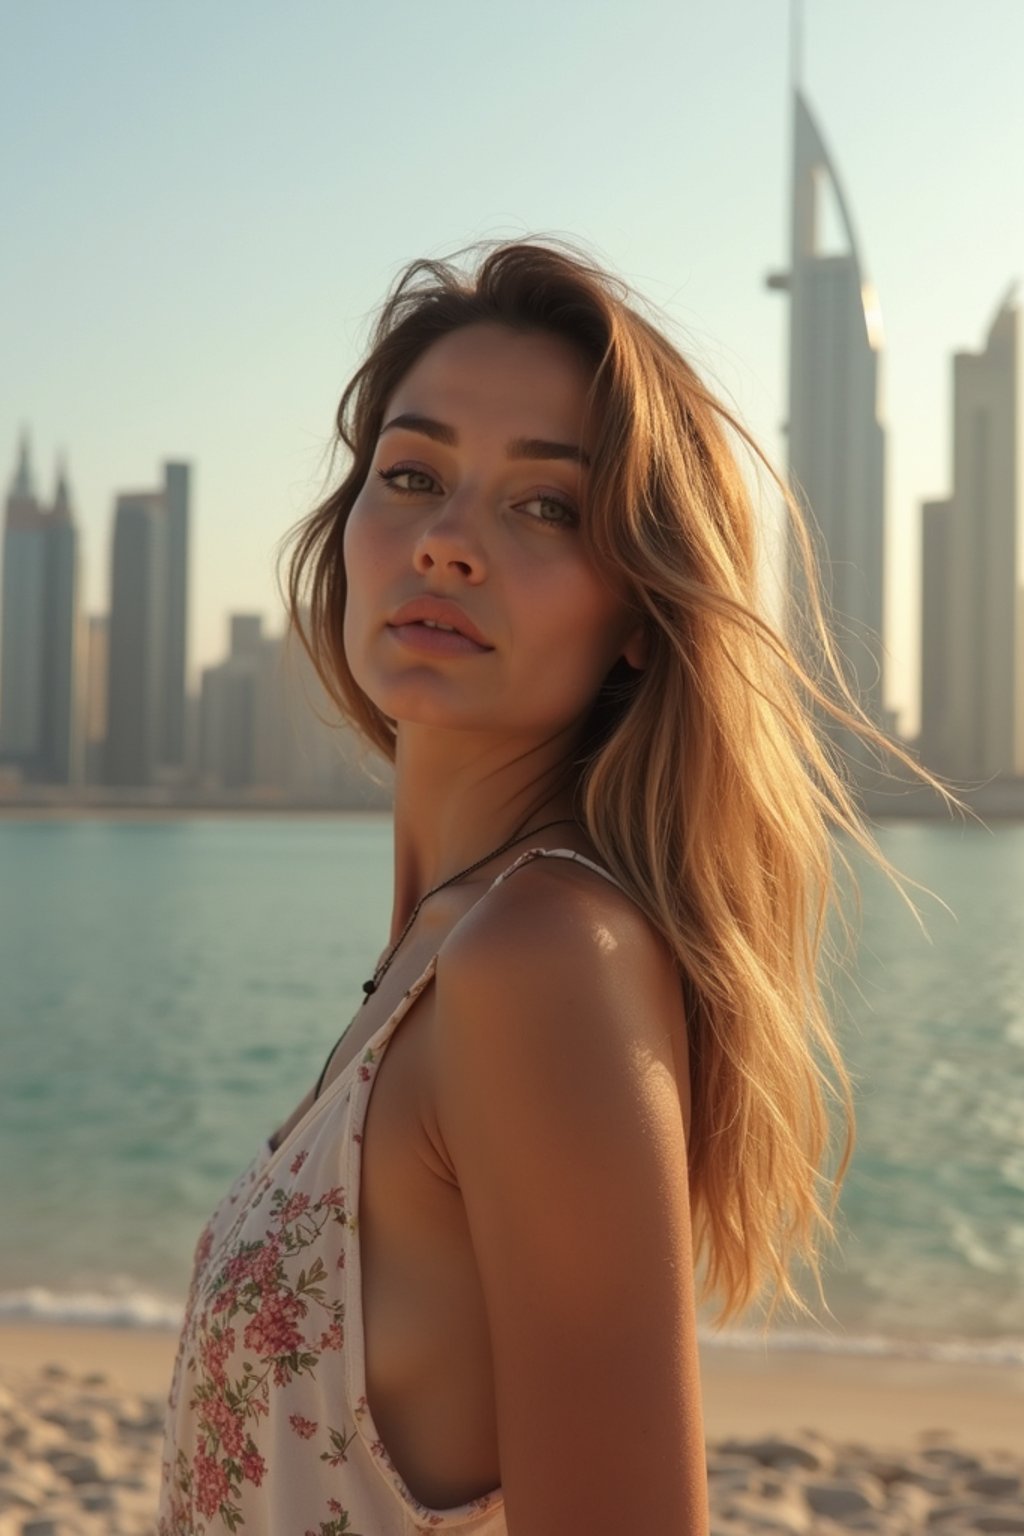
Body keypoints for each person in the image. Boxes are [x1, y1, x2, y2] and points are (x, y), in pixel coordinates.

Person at [158, 239, 929, 1536]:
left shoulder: (546, 959)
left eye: (545, 507)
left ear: (639, 611)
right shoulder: (444, 955)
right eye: (412, 476)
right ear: (348, 525)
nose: (448, 543)